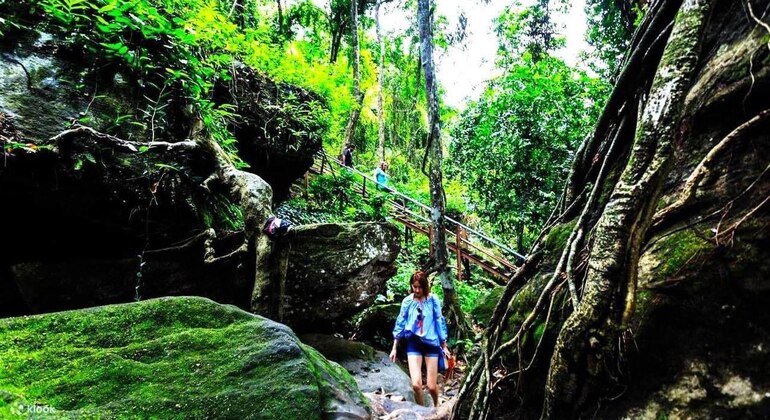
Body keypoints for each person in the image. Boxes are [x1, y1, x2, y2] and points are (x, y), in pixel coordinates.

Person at [390, 271, 450, 407]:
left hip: (431, 344)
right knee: (416, 385)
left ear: (425, 287)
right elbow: (400, 322)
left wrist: (444, 344)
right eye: (414, 286)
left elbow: (439, 320)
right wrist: (394, 348)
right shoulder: (407, 301)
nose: (417, 290)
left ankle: (436, 406)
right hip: (414, 343)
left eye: (420, 287)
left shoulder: (433, 300)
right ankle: (423, 411)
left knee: (431, 386)